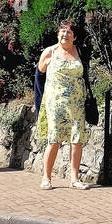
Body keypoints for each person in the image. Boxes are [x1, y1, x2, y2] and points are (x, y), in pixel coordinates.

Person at [36, 19, 91, 191]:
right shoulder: (49, 52)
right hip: (55, 104)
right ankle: (46, 177)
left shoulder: (80, 52)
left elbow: (86, 76)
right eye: (62, 31)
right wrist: (40, 103)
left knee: (77, 140)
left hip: (76, 104)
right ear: (58, 34)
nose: (65, 35)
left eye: (69, 32)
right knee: (54, 141)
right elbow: (39, 77)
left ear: (74, 37)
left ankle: (74, 179)